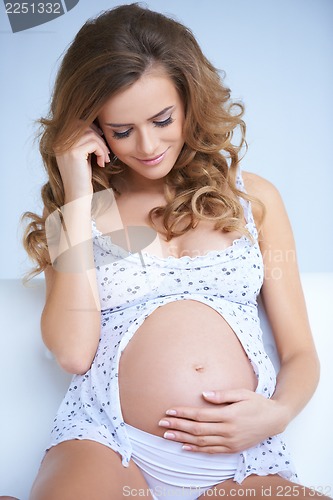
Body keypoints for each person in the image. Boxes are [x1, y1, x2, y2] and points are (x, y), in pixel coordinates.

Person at [21, 3, 328, 499]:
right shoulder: (77, 216)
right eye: (121, 131)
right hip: (108, 443)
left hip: (239, 461)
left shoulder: (254, 199)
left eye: (163, 119)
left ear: (190, 99)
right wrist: (78, 194)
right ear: (93, 126)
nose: (146, 145)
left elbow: (300, 354)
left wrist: (277, 413)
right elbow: (73, 353)